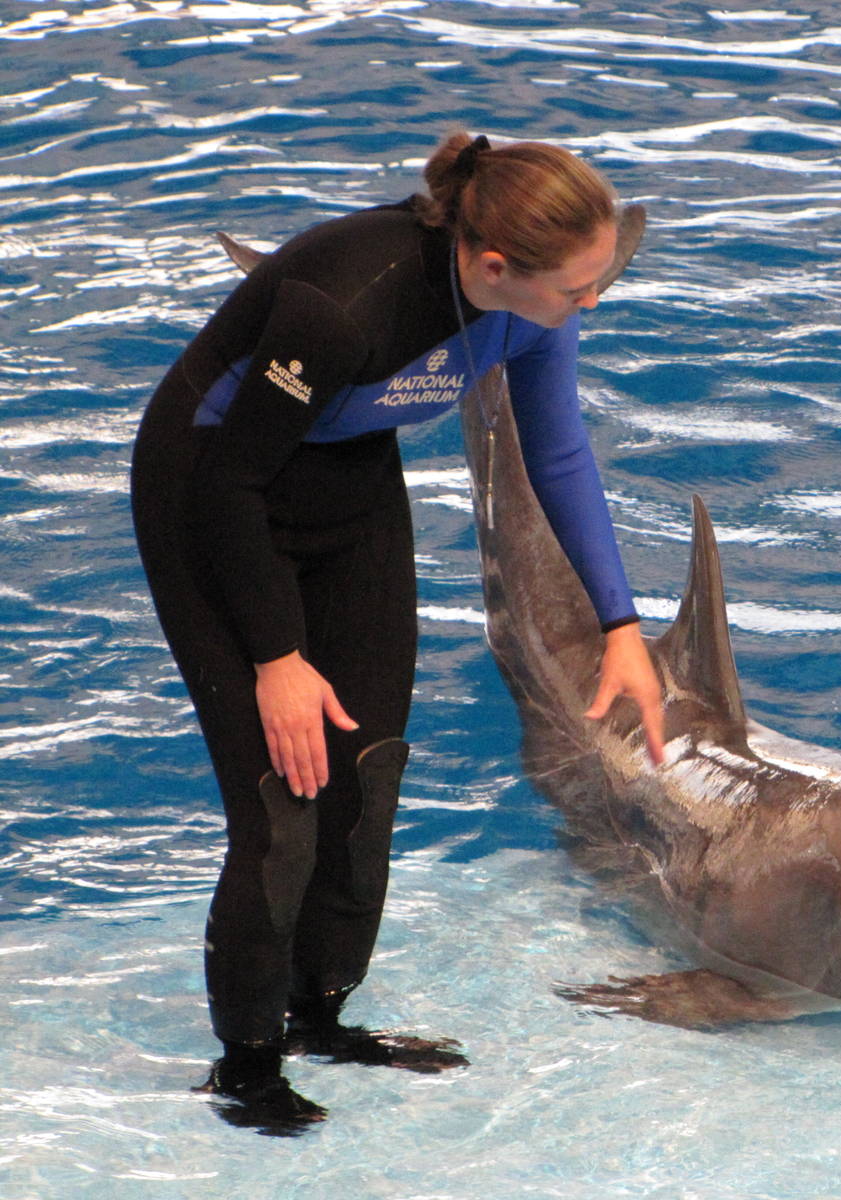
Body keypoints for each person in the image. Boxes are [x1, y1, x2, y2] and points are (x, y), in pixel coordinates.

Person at [131, 131, 666, 1135]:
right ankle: (246, 1068)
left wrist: (622, 625)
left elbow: (558, 454)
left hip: (346, 485)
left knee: (363, 774)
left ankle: (320, 1017)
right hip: (209, 491)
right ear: (496, 264)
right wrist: (278, 659)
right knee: (281, 803)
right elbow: (230, 483)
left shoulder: (531, 309)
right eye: (580, 287)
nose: (593, 303)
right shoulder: (345, 303)